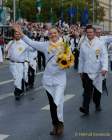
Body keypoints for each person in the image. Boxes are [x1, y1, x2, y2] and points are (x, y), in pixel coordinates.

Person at [13, 25, 74, 135]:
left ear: (58, 34)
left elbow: (71, 61)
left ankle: (60, 124)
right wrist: (21, 34)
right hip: (48, 79)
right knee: (52, 104)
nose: (53, 35)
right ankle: (55, 125)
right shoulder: (45, 45)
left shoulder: (64, 46)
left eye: (55, 33)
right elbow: (32, 43)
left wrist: (66, 64)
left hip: (60, 79)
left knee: (58, 102)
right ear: (48, 35)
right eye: (50, 33)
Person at [78, 25, 108, 115]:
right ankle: (85, 108)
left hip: (98, 71)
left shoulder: (100, 43)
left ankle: (97, 104)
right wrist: (80, 71)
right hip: (87, 71)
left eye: (91, 32)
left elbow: (104, 56)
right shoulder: (83, 44)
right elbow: (81, 59)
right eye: (87, 32)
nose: (89, 34)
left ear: (94, 33)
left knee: (97, 92)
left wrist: (104, 68)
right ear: (86, 33)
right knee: (87, 91)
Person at [5, 30, 33, 100]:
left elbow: (32, 49)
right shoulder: (11, 42)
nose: (17, 35)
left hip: (20, 64)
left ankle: (17, 91)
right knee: (15, 78)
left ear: (20, 35)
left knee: (19, 78)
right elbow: (6, 50)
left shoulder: (24, 43)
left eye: (18, 34)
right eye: (16, 34)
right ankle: (19, 89)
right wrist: (7, 49)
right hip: (12, 63)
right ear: (14, 35)